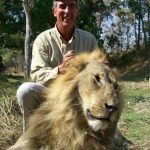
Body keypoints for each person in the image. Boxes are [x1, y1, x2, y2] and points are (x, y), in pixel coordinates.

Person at [17, 0, 99, 132]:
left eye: (72, 6)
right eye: (62, 6)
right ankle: (31, 140)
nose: (67, 11)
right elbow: (37, 75)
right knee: (26, 90)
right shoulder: (42, 40)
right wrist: (60, 70)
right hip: (49, 97)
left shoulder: (89, 40)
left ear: (77, 11)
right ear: (54, 11)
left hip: (81, 98)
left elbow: (98, 75)